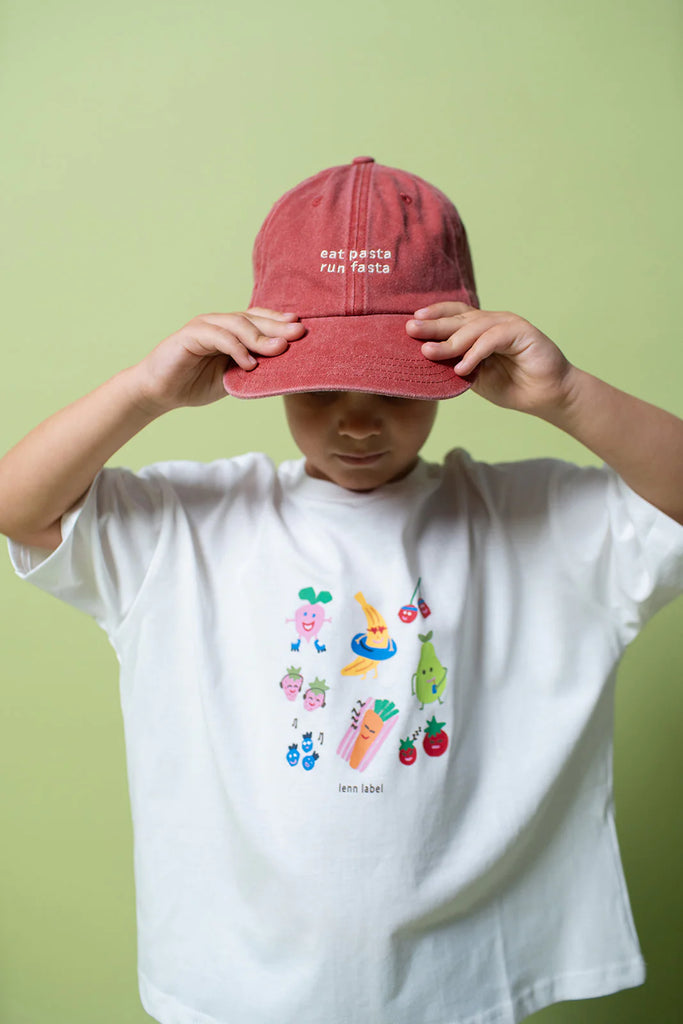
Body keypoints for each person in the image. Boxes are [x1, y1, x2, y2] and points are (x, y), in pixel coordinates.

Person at [1, 155, 682, 1024]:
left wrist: (569, 396)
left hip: (465, 981)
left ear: (461, 365)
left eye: (395, 389)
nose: (357, 422)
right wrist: (143, 392)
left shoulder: (532, 520)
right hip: (237, 985)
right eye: (321, 389)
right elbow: (20, 508)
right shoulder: (190, 527)